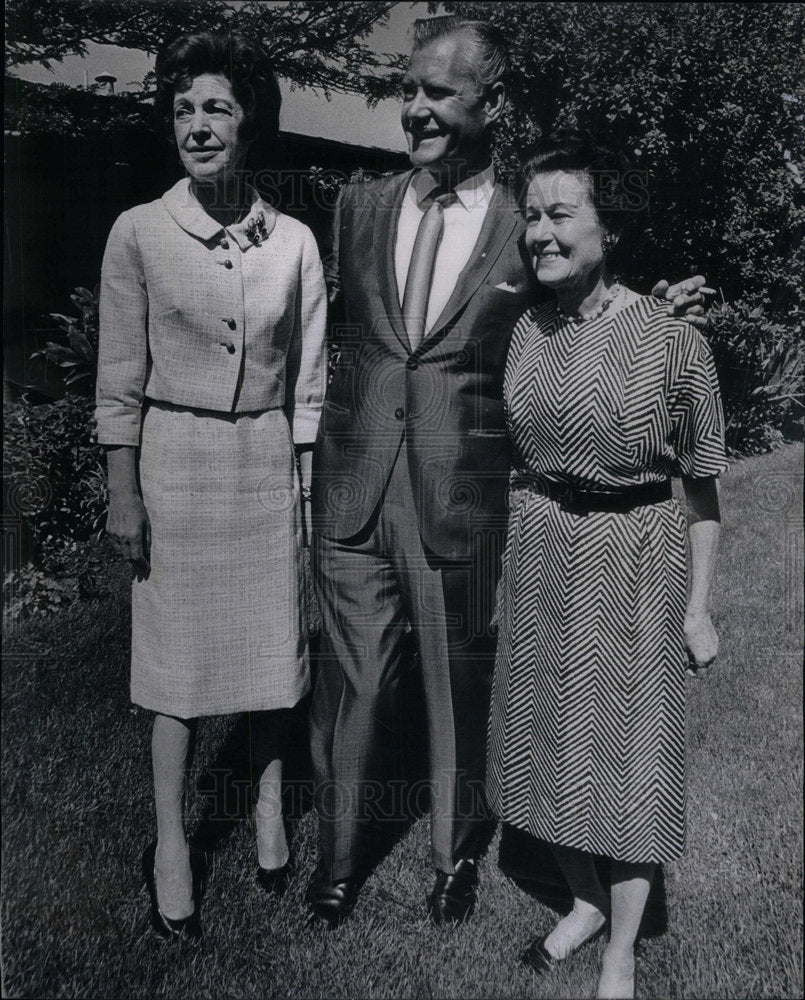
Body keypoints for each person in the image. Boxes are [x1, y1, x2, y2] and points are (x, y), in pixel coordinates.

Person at [307, 15, 710, 930]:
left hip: (466, 496)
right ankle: (336, 859)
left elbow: (585, 296)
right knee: (353, 680)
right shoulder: (356, 205)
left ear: (493, 103)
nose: (414, 109)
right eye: (407, 90)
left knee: (458, 679)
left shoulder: (519, 223)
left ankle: (453, 855)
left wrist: (656, 308)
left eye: (438, 94)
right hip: (353, 485)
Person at [95, 31, 327, 940]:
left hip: (265, 467)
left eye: (217, 107)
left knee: (272, 658)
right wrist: (124, 490)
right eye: (183, 109)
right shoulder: (140, 232)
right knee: (174, 670)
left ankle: (270, 811)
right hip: (175, 465)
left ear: (251, 121)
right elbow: (117, 377)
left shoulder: (296, 242)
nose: (197, 125)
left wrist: (304, 490)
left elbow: (308, 381)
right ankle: (171, 845)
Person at [485, 129, 727, 999]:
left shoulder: (671, 340)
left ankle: (620, 948)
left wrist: (697, 608)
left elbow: (700, 490)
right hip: (544, 555)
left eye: (562, 214)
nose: (540, 233)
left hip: (634, 564)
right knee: (540, 746)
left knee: (627, 763)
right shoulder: (526, 330)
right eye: (532, 217)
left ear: (608, 228)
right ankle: (581, 902)